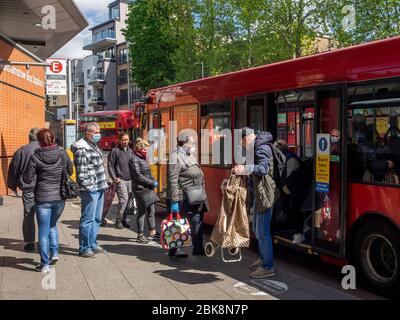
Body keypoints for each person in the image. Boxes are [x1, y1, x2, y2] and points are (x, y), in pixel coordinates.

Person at [23, 129, 73, 273]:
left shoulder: (35, 157)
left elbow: (28, 178)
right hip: (59, 197)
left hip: (43, 198)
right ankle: (55, 253)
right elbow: (70, 170)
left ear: (39, 142)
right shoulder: (62, 153)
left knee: (43, 231)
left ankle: (45, 264)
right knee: (52, 226)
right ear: (53, 139)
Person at [233, 128, 278, 279]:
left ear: (245, 138)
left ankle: (268, 266)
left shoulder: (261, 148)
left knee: (263, 232)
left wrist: (245, 168)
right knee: (258, 230)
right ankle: (264, 257)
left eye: (240, 141)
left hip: (265, 195)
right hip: (260, 195)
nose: (241, 144)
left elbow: (263, 169)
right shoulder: (257, 147)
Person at [167, 131, 209, 258]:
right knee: (179, 223)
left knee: (197, 221)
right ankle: (174, 249)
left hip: (195, 195)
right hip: (183, 196)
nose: (193, 144)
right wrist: (174, 200)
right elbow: (172, 179)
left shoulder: (188, 154)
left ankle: (198, 248)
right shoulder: (176, 156)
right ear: (184, 142)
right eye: (192, 142)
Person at [72, 123, 108, 258]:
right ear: (88, 133)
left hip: (99, 187)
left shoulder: (93, 145)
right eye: (96, 132)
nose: (99, 134)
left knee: (97, 218)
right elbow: (81, 173)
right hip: (91, 190)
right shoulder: (82, 148)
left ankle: (92, 243)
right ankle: (84, 247)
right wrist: (90, 188)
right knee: (88, 219)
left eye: (99, 131)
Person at [7, 128, 40, 252]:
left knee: (28, 215)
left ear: (29, 137)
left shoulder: (22, 150)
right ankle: (44, 240)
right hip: (45, 188)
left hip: (28, 188)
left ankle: (29, 242)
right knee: (45, 215)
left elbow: (14, 169)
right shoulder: (46, 149)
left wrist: (12, 186)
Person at [276, 140, 309, 244]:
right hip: (290, 187)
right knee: (284, 207)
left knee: (294, 208)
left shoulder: (291, 159)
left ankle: (300, 233)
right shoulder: (283, 157)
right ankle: (300, 226)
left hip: (300, 187)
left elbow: (284, 176)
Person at [129, 138, 160, 243]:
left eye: (148, 149)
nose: (147, 151)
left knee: (152, 210)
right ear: (138, 148)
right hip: (140, 189)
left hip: (147, 188)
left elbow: (148, 173)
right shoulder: (134, 159)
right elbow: (138, 176)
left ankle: (152, 232)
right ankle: (140, 234)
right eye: (145, 149)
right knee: (142, 212)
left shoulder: (143, 158)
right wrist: (152, 183)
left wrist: (154, 181)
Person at [108, 132, 135, 229]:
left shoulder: (130, 151)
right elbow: (110, 165)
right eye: (123, 139)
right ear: (119, 140)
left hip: (130, 180)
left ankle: (124, 220)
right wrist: (114, 177)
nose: (125, 141)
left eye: (127, 139)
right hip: (121, 180)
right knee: (123, 200)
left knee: (128, 201)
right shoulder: (115, 151)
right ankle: (118, 220)